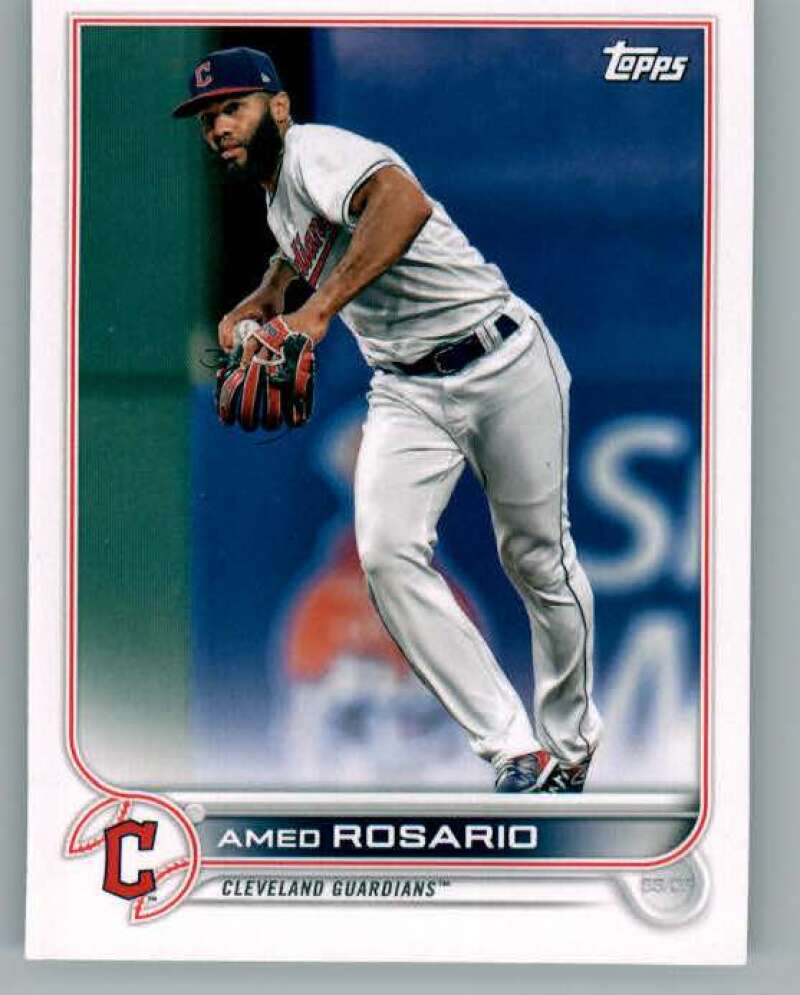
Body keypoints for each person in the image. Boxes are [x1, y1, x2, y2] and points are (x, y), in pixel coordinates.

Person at [173, 46, 603, 793]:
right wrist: (271, 291)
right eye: (208, 118)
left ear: (280, 108)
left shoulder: (317, 151)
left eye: (233, 108)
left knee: (538, 560)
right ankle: (510, 745)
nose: (218, 127)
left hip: (502, 359)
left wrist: (316, 311)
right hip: (407, 388)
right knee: (385, 553)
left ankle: (569, 744)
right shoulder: (279, 193)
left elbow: (400, 203)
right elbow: (308, 237)